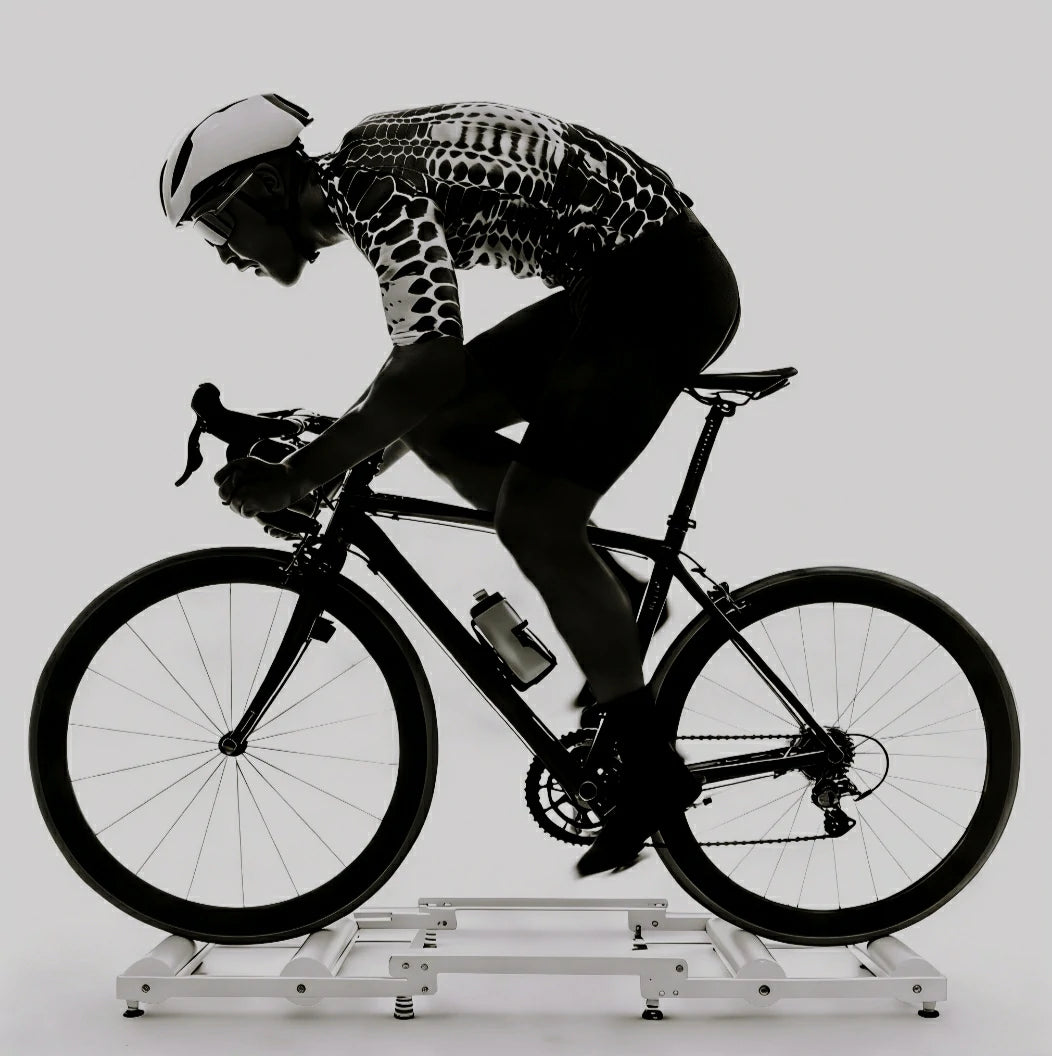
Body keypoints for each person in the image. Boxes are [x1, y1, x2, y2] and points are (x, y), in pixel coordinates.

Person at [159, 94, 741, 875]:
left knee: (535, 522)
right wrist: (329, 454)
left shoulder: (376, 184)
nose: (224, 254)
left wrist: (301, 473)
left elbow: (424, 366)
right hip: (618, 285)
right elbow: (419, 387)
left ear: (264, 187)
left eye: (216, 227)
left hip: (658, 290)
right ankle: (614, 596)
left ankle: (652, 771)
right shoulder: (365, 178)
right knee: (440, 425)